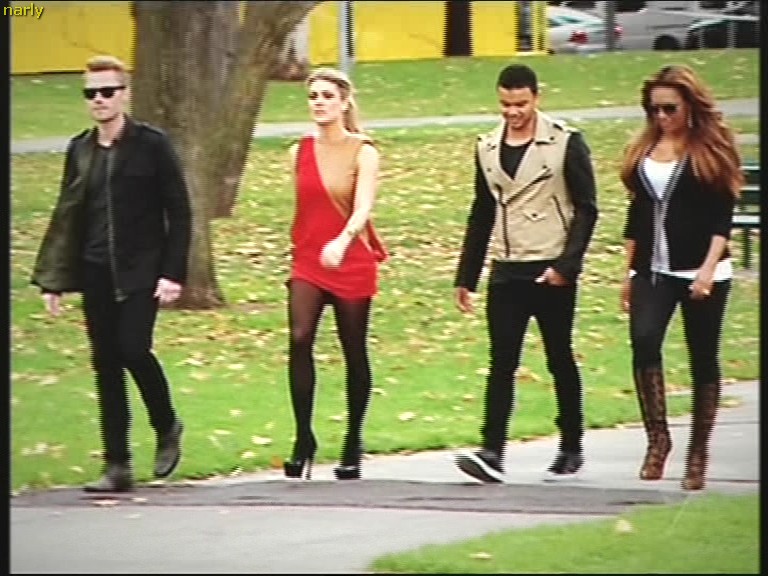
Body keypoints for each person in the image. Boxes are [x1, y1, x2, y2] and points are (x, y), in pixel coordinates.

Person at [30, 55, 192, 492]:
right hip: (96, 270)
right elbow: (68, 215)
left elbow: (179, 212)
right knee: (106, 363)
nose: (98, 99)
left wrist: (173, 273)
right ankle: (117, 464)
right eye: (91, 93)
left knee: (133, 349)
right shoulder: (80, 149)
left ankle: (166, 424)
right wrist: (54, 279)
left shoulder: (152, 145)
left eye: (107, 91)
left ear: (125, 94)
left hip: (142, 271)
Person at [453, 63, 598, 482]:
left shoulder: (565, 142)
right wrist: (467, 276)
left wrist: (567, 266)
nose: (513, 112)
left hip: (550, 265)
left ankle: (571, 445)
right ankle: (492, 451)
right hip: (507, 267)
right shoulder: (486, 147)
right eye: (505, 104)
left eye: (520, 104)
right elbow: (482, 211)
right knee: (502, 360)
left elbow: (587, 209)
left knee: (559, 357)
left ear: (536, 97)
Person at [619, 64, 741, 491]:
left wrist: (707, 271)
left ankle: (698, 452)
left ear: (689, 106)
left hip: (702, 269)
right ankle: (658, 439)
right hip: (653, 269)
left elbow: (722, 219)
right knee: (644, 340)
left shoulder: (711, 150)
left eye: (670, 108)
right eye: (654, 109)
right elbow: (637, 213)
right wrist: (628, 271)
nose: (662, 117)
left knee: (702, 356)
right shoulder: (644, 149)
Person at [283, 67, 387, 481]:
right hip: (308, 259)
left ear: (344, 102)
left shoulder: (364, 151)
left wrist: (343, 241)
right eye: (313, 96)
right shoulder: (299, 151)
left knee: (353, 348)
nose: (319, 103)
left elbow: (363, 208)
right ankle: (302, 438)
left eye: (327, 95)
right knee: (299, 337)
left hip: (350, 259)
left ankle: (352, 440)